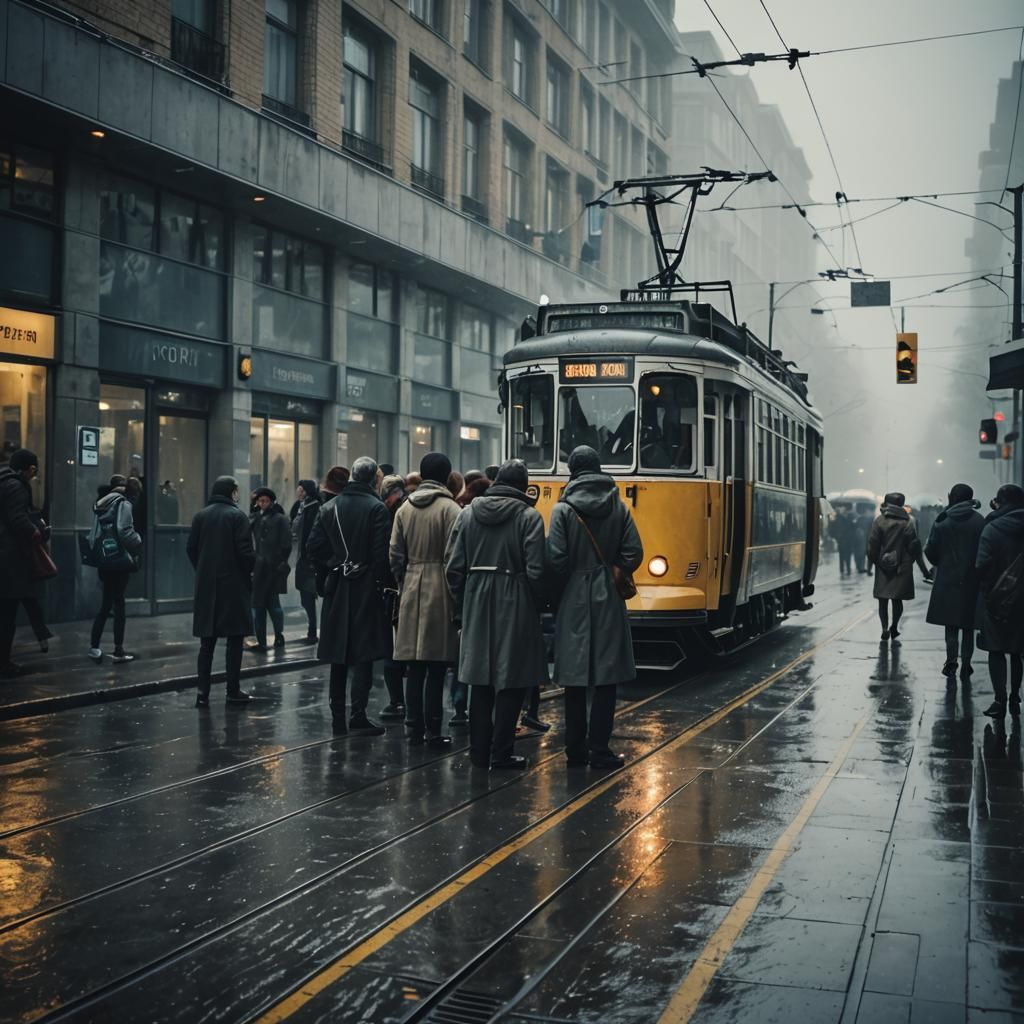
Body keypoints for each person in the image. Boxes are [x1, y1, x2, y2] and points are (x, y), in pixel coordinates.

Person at [445, 459, 548, 769]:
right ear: (523, 485)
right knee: (513, 678)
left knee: (479, 678)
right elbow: (536, 570)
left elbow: (452, 567)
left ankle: (478, 752)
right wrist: (536, 603)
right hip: (515, 597)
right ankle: (501, 752)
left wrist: (463, 602)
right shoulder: (529, 517)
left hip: (476, 597)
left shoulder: (467, 514)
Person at [547, 445, 643, 768]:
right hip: (607, 597)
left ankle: (575, 750)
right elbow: (634, 552)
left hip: (573, 595)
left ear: (573, 470)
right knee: (606, 678)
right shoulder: (618, 505)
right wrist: (614, 569)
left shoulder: (562, 510)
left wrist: (561, 590)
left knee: (574, 679)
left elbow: (557, 560)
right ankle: (600, 750)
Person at [306, 457, 391, 736]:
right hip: (366, 587)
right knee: (363, 653)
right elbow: (381, 556)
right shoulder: (377, 508)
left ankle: (337, 718)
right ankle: (358, 713)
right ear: (372, 480)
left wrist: (335, 564)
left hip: (338, 588)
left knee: (338, 655)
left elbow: (313, 546)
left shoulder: (329, 507)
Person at [390, 451, 460, 747]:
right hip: (440, 587)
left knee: (414, 664)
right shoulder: (450, 509)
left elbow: (394, 554)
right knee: (436, 664)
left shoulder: (404, 509)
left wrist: (404, 580)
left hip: (411, 585)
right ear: (446, 476)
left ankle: (412, 726)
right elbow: (457, 557)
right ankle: (433, 728)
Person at [187, 476, 256, 707]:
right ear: (231, 493)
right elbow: (245, 553)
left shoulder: (201, 516)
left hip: (207, 587)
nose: (238, 494)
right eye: (236, 491)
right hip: (233, 587)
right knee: (234, 642)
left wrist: (203, 570)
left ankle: (202, 693)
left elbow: (191, 549)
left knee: (207, 644)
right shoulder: (237, 516)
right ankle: (232, 690)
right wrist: (250, 571)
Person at [924, 483, 985, 681]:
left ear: (951, 497)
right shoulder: (979, 521)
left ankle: (951, 660)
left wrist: (940, 563)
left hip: (947, 580)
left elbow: (930, 549)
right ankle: (967, 664)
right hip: (972, 580)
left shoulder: (942, 521)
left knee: (951, 625)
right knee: (968, 625)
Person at [976, 484, 1024, 719]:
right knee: (1017, 650)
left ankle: (999, 699)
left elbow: (981, 563)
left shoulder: (992, 528)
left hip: (996, 597)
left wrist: (986, 588)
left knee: (996, 650)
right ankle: (1016, 695)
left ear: (1000, 502)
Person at [87, 474, 143, 664]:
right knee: (118, 605)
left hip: (104, 559)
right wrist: (138, 542)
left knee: (105, 604)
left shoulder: (101, 503)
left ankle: (94, 646)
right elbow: (125, 531)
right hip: (118, 561)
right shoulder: (123, 503)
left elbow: (93, 534)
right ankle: (118, 649)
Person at [867, 491, 932, 643]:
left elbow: (872, 546)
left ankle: (884, 628)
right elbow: (914, 547)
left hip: (883, 565)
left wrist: (876, 562)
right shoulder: (908, 522)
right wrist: (922, 569)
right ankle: (894, 626)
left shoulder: (879, 521)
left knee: (883, 600)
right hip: (903, 566)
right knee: (898, 601)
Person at [0, 449, 42, 678]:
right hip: (9, 560)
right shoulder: (16, 486)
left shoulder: (3, 482)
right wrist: (34, 531)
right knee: (7, 615)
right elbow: (18, 519)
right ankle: (4, 662)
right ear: (30, 469)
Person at [378, 474, 409, 721]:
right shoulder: (400, 512)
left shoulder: (390, 514)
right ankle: (404, 702)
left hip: (393, 589)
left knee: (392, 650)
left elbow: (392, 555)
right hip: (406, 588)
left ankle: (397, 701)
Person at [249, 487, 291, 651]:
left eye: (265, 500)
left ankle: (279, 635)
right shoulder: (255, 518)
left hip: (273, 568)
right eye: (260, 501)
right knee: (258, 606)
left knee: (273, 604)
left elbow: (286, 543)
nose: (262, 503)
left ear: (272, 501)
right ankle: (261, 640)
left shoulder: (280, 519)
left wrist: (281, 561)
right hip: (259, 568)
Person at [290, 480, 321, 644]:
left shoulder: (314, 507)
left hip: (310, 559)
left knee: (308, 595)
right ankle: (311, 630)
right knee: (305, 595)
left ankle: (312, 631)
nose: (298, 491)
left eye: (301, 489)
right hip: (302, 558)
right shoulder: (299, 507)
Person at [830, 508, 857, 576]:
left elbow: (832, 530)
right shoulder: (848, 519)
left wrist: (836, 537)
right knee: (847, 556)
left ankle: (842, 570)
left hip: (841, 541)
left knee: (842, 556)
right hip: (847, 541)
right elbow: (853, 529)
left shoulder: (838, 519)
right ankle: (847, 570)